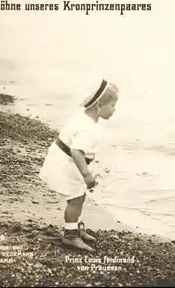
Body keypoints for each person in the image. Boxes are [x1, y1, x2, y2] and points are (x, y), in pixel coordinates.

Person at [39, 78, 119, 252]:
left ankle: (76, 226)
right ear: (99, 106)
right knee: (74, 199)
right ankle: (70, 236)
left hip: (63, 158)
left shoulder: (83, 115)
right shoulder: (88, 129)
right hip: (68, 163)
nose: (114, 110)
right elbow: (76, 151)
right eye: (112, 105)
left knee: (79, 195)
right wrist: (86, 174)